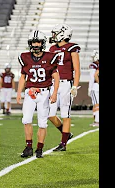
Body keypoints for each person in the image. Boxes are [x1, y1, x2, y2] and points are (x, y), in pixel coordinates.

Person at [16, 30, 60, 158]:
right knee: (26, 120)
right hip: (30, 93)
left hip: (44, 93)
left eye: (38, 42)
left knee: (42, 123)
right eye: (33, 42)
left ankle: (39, 149)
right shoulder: (25, 57)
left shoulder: (50, 57)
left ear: (43, 43)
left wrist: (55, 93)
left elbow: (56, 77)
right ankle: (29, 147)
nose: (36, 44)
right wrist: (19, 92)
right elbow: (23, 77)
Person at [47, 24, 81, 152]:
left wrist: (75, 86)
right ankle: (66, 134)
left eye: (55, 33)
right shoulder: (51, 48)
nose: (53, 36)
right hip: (54, 84)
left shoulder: (72, 48)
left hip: (67, 83)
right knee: (50, 114)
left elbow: (77, 69)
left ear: (63, 34)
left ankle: (63, 143)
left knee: (65, 113)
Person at [88, 50, 99, 127]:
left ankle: (97, 121)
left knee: (96, 104)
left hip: (95, 86)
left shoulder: (94, 65)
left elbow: (93, 76)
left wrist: (90, 88)